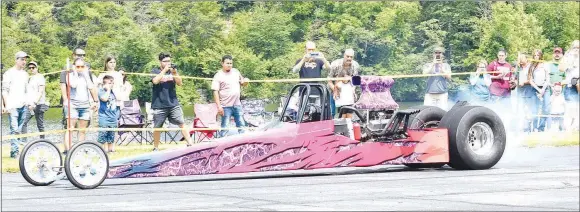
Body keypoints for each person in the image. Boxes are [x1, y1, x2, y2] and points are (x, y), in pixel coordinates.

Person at [150, 52, 194, 151]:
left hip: (173, 103)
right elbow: (155, 81)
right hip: (159, 104)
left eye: (169, 61)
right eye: (165, 61)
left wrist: (175, 73)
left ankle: (190, 143)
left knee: (181, 123)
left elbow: (180, 83)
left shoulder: (172, 72)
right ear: (160, 62)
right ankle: (155, 147)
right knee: (157, 127)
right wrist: (164, 70)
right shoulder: (155, 70)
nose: (168, 63)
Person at [60, 48, 97, 153]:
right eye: (78, 66)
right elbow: (73, 84)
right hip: (73, 105)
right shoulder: (68, 74)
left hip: (85, 105)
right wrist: (75, 72)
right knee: (70, 128)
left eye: (82, 66)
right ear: (74, 66)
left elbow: (91, 87)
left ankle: (80, 150)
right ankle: (69, 150)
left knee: (82, 130)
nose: (80, 68)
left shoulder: (87, 74)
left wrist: (95, 101)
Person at [212, 55, 250, 137]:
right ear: (222, 63)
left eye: (231, 63)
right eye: (227, 63)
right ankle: (221, 143)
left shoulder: (236, 72)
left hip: (237, 104)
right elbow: (215, 92)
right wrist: (219, 107)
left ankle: (243, 142)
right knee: (225, 127)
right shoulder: (218, 75)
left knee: (242, 125)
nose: (229, 65)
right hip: (225, 106)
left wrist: (246, 81)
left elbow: (243, 83)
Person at [2, 51, 30, 158]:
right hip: (12, 106)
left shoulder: (25, 74)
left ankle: (17, 150)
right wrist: (6, 105)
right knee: (14, 129)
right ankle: (14, 152)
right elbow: (4, 90)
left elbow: (27, 90)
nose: (24, 62)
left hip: (23, 105)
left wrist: (28, 102)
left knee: (19, 129)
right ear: (16, 60)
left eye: (25, 59)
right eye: (22, 59)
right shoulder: (8, 73)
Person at [21, 61, 50, 140]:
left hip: (39, 104)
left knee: (40, 124)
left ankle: (43, 140)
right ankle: (24, 141)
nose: (31, 69)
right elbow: (29, 92)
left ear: (37, 68)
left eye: (33, 67)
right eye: (30, 68)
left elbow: (40, 91)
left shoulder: (40, 77)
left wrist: (34, 103)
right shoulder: (30, 78)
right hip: (30, 104)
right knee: (23, 122)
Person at [328, 48, 360, 117]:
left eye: (351, 57)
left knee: (349, 112)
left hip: (348, 92)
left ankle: (347, 126)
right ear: (344, 55)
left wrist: (353, 90)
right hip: (335, 91)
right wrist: (335, 90)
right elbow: (329, 80)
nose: (349, 58)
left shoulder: (355, 65)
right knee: (333, 113)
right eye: (347, 56)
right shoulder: (335, 64)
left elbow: (356, 80)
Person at [528, 49, 550, 132]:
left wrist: (543, 89)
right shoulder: (531, 66)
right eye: (535, 55)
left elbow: (547, 78)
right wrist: (538, 89)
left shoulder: (545, 65)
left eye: (538, 55)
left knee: (546, 108)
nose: (536, 57)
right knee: (535, 109)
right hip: (535, 88)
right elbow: (530, 80)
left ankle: (541, 127)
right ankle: (534, 127)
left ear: (541, 56)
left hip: (545, 88)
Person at [97, 75, 121, 153]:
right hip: (104, 117)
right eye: (110, 83)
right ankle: (102, 151)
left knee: (111, 135)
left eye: (112, 83)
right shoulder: (101, 91)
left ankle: (111, 150)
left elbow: (119, 98)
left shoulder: (113, 92)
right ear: (105, 84)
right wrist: (107, 90)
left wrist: (113, 90)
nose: (112, 85)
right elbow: (104, 99)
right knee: (103, 135)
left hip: (113, 117)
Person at [560, 40, 580, 130]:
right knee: (570, 108)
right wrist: (569, 62)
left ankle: (576, 127)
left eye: (578, 47)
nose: (577, 49)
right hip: (571, 85)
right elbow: (561, 68)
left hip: (578, 84)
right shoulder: (567, 57)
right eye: (575, 47)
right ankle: (568, 128)